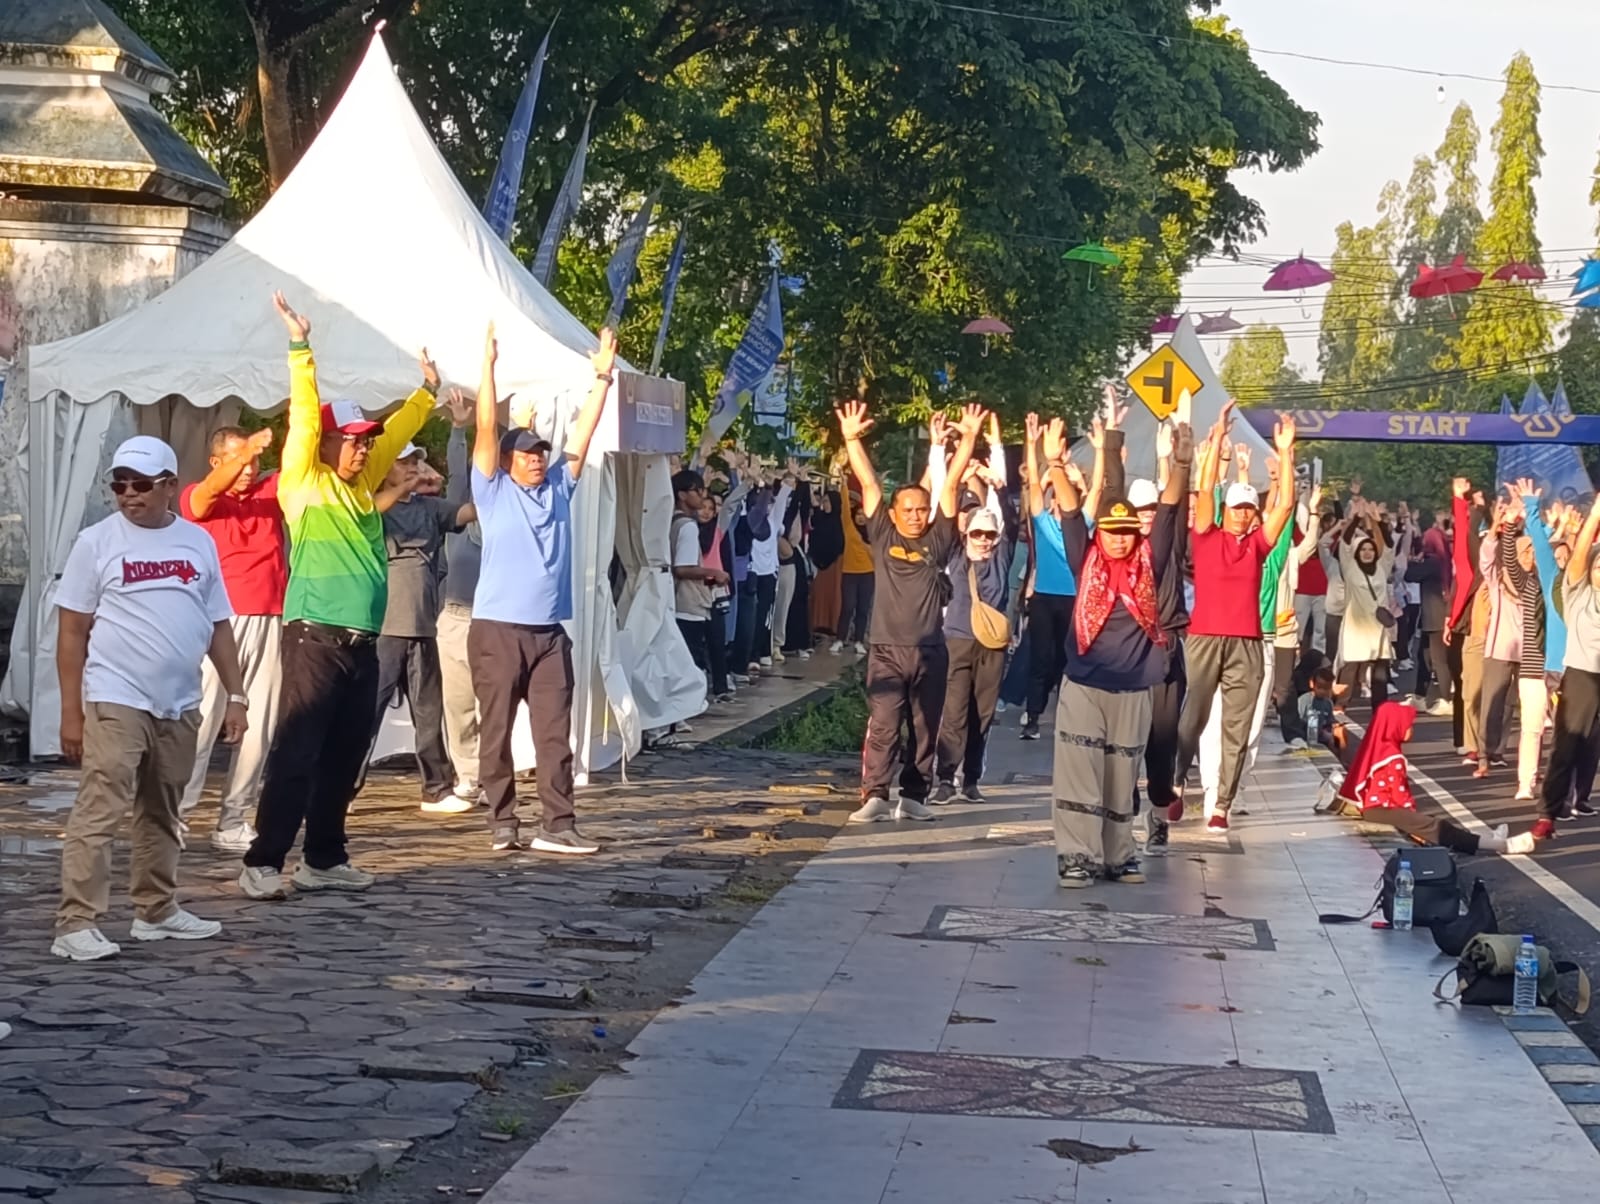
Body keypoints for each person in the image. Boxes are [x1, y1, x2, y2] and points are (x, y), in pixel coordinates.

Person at [240, 293, 439, 900]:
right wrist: (301, 348)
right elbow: (303, 419)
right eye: (349, 440)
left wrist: (425, 393)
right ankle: (263, 861)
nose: (360, 448)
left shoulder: (359, 483)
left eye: (362, 442)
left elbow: (396, 432)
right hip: (315, 635)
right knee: (298, 751)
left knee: (345, 755)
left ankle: (323, 857)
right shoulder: (304, 477)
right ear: (326, 445)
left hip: (362, 642)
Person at [53, 436, 248, 960]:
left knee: (164, 808)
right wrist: (71, 710)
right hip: (116, 693)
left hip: (180, 699)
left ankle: (155, 909)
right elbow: (72, 630)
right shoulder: (96, 541)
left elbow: (217, 623)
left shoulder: (197, 541)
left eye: (141, 485)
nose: (128, 495)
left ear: (169, 486)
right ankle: (76, 922)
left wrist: (237, 694)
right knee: (102, 804)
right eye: (119, 485)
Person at [469, 321, 617, 854]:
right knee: (497, 731)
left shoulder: (559, 486)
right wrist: (486, 369)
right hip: (498, 631)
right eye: (528, 452)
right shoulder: (491, 490)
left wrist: (602, 379)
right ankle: (503, 821)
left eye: (540, 452)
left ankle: (558, 824)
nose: (537, 458)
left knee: (555, 733)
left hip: (550, 633)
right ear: (508, 460)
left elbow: (584, 434)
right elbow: (487, 429)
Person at [1048, 419, 1189, 887]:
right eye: (1112, 531)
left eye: (1128, 531)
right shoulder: (1084, 559)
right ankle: (1076, 856)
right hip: (1085, 683)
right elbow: (1071, 512)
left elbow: (1169, 510)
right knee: (1079, 773)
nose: (1120, 538)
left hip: (1134, 687)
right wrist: (1054, 464)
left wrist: (1183, 465)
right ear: (1101, 534)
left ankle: (1118, 855)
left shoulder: (1152, 561)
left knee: (1120, 773)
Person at [840, 400, 981, 822]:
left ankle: (914, 795)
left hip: (930, 651)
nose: (917, 516)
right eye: (909, 510)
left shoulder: (938, 539)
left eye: (922, 509)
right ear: (894, 512)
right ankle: (875, 795)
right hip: (885, 649)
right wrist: (851, 439)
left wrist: (968, 440)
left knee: (924, 726)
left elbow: (951, 489)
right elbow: (867, 484)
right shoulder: (882, 534)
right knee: (883, 726)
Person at [1174, 405, 1297, 833]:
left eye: (1249, 509)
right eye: (1238, 508)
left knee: (1237, 726)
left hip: (1247, 642)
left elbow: (1285, 505)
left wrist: (1286, 454)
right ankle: (1176, 783)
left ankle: (1222, 803)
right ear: (1227, 511)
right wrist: (1218, 438)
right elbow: (1205, 489)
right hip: (1204, 637)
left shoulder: (1259, 546)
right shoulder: (1207, 537)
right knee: (1193, 716)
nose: (1243, 514)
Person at [177, 425, 285, 854]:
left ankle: (234, 818)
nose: (249, 469)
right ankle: (176, 818)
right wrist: (247, 452)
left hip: (269, 615)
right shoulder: (199, 496)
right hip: (219, 621)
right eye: (239, 460)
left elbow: (301, 459)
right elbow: (205, 496)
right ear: (216, 461)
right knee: (202, 721)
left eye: (255, 460)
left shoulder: (268, 491)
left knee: (259, 724)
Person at [360, 442, 476, 812]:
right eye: (403, 461)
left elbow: (468, 512)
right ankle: (340, 786)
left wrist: (499, 484)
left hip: (424, 624)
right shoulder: (371, 506)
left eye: (415, 462)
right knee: (367, 713)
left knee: (429, 712)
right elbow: (364, 513)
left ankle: (436, 788)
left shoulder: (429, 508)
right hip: (386, 626)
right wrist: (397, 490)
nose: (412, 467)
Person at [932, 428, 1015, 805]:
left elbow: (1009, 517)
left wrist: (997, 482)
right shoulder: (954, 554)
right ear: (966, 534)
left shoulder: (1001, 555)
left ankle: (971, 778)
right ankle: (946, 778)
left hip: (991, 647)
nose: (983, 539)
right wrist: (948, 455)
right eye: (977, 533)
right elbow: (943, 499)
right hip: (957, 640)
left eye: (989, 534)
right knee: (953, 712)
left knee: (982, 713)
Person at [1334, 702, 1533, 855]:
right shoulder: (1393, 757)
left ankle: (1488, 839)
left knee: (1432, 825)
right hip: (1385, 810)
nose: (1411, 730)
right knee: (1435, 827)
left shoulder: (1377, 749)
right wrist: (1414, 823)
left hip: (1373, 809)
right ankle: (1501, 845)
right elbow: (1400, 796)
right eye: (1407, 725)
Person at [1535, 493, 1600, 841]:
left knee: (1591, 748)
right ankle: (1547, 814)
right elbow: (1577, 559)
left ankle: (1580, 798)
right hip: (1580, 678)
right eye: (1598, 566)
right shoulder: (1577, 592)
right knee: (1567, 747)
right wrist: (1595, 516)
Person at [437, 388, 484, 807]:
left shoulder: (505, 523)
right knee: (458, 706)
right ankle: (468, 778)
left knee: (493, 706)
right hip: (453, 619)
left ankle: (493, 773)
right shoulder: (455, 522)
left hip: (490, 620)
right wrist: (458, 429)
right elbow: (457, 479)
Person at [1473, 498, 1529, 779]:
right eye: (1520, 552)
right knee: (1492, 704)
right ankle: (1484, 755)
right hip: (1499, 650)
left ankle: (1499, 752)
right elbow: (1486, 554)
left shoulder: (1532, 582)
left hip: (1527, 652)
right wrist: (1498, 525)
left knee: (1511, 706)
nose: (1524, 556)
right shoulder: (1497, 578)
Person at [672, 468, 731, 700]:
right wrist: (714, 572)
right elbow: (683, 568)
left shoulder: (672, 520)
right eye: (697, 491)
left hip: (675, 598)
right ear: (682, 495)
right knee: (692, 656)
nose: (701, 495)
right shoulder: (687, 526)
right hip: (690, 600)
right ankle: (689, 704)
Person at [1334, 500, 1397, 713]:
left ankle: (1380, 711)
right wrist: (1357, 519)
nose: (1368, 552)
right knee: (1350, 667)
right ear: (1357, 552)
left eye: (1371, 549)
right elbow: (1344, 543)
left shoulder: (1382, 568)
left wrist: (1378, 523)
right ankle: (1340, 707)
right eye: (1364, 549)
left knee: (1380, 671)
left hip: (1378, 628)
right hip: (1355, 627)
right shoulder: (1350, 568)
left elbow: (1388, 548)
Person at [1407, 516, 1452, 715]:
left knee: (1438, 659)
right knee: (1423, 656)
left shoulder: (1433, 562)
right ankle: (1419, 696)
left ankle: (1446, 698)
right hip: (1430, 616)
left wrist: (1412, 561)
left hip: (1435, 616)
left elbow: (1410, 575)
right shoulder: (1443, 561)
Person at [835, 475, 875, 654]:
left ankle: (859, 640)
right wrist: (843, 486)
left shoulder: (873, 534)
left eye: (863, 515)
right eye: (857, 514)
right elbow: (844, 508)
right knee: (848, 606)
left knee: (863, 608)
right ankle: (840, 639)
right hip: (849, 573)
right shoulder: (849, 529)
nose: (860, 518)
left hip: (868, 574)